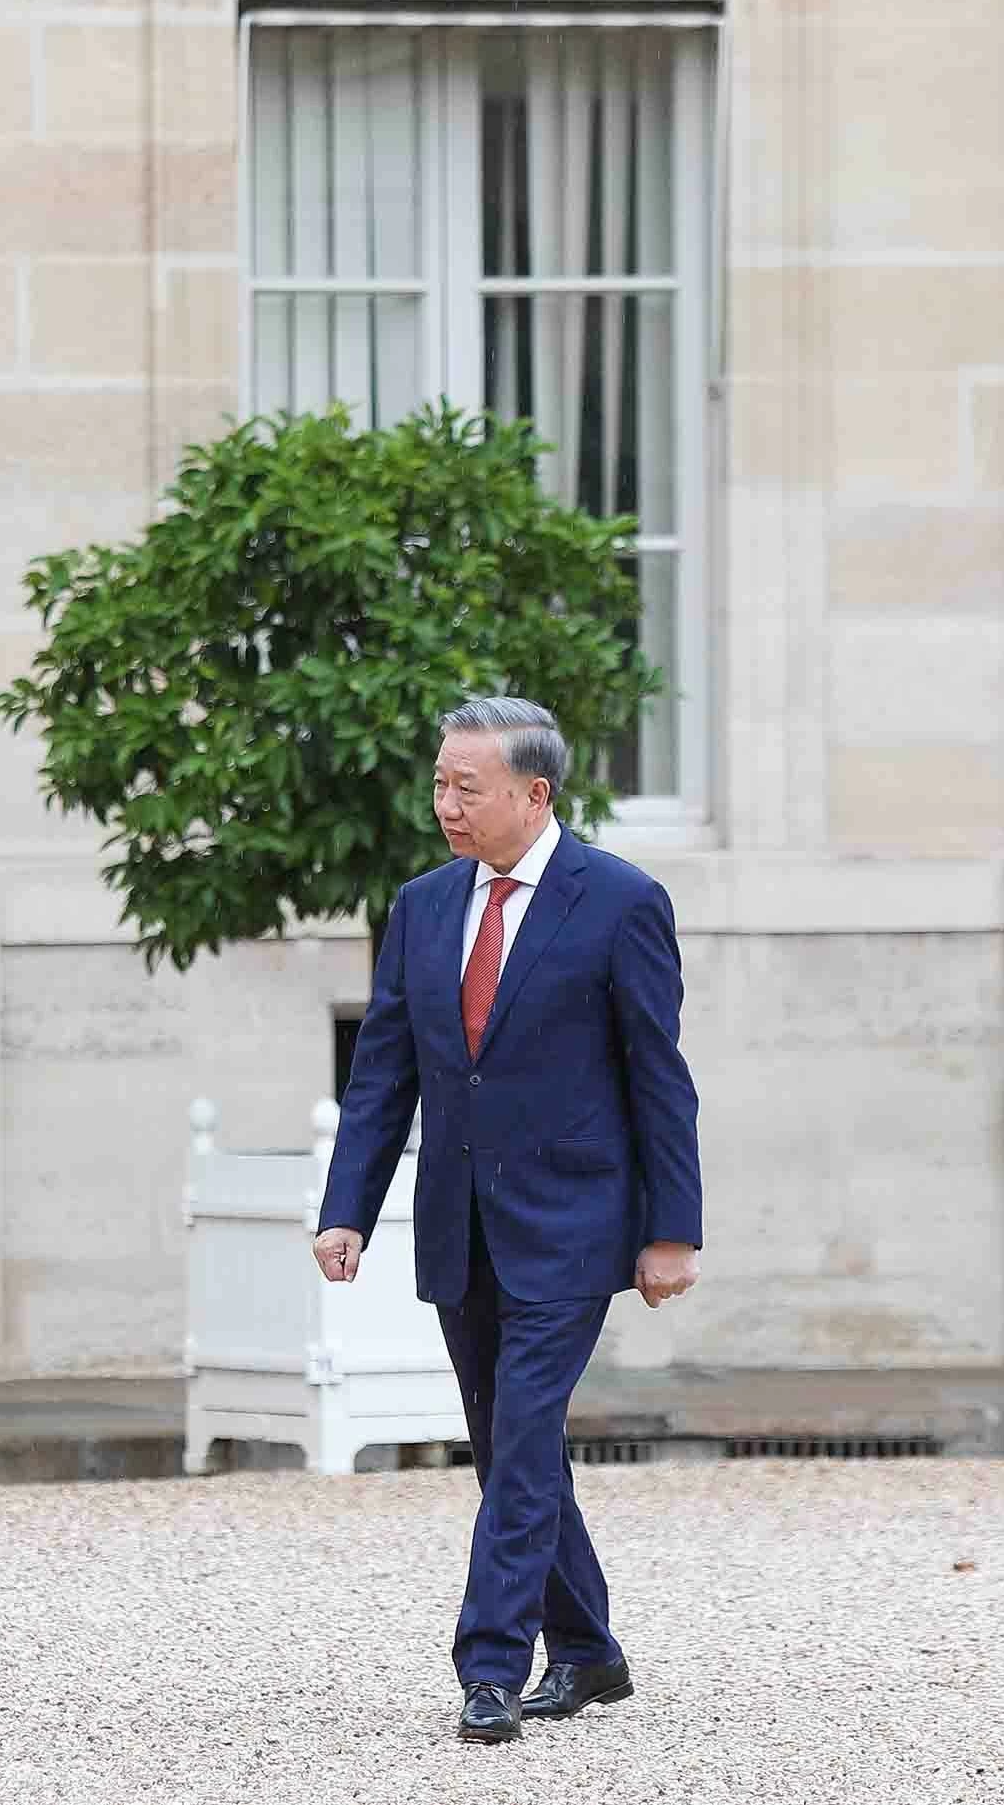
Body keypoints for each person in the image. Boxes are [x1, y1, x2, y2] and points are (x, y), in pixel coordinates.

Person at [314, 696, 702, 1744]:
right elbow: (382, 1072)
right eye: (437, 782)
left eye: (464, 787)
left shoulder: (618, 900)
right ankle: (588, 1651)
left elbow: (658, 1078)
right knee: (505, 1449)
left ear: (534, 793)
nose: (443, 802)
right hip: (459, 1222)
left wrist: (671, 1231)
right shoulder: (423, 906)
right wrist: (345, 1207)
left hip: (574, 1223)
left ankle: (489, 1667)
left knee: (522, 1435)